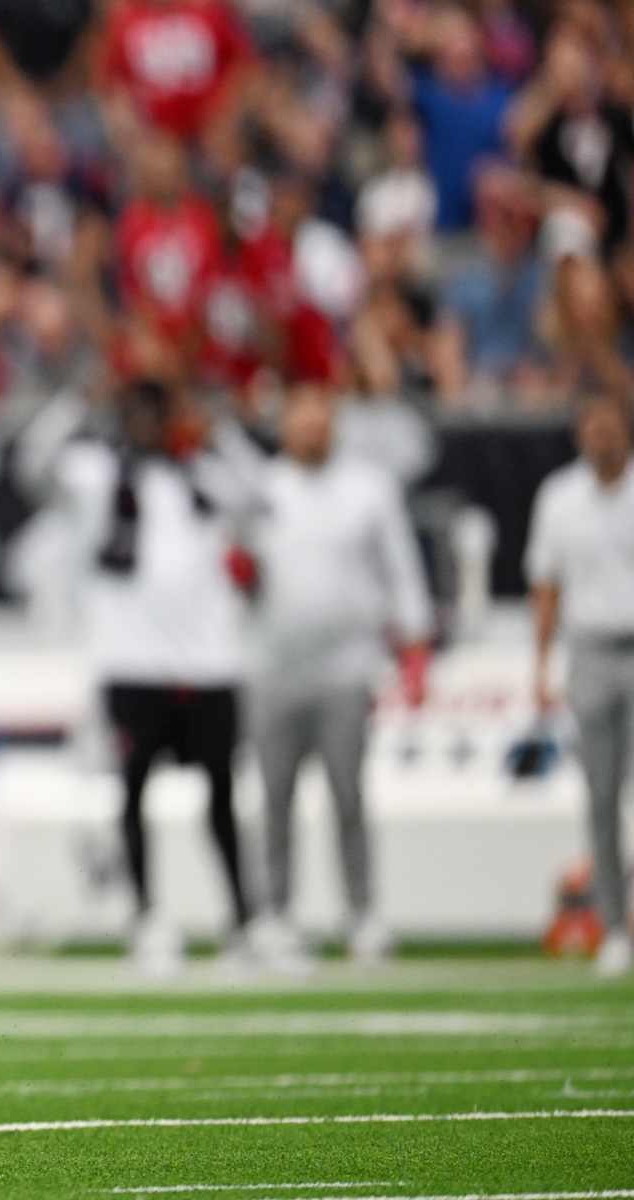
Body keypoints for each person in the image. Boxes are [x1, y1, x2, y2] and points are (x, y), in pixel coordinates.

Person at [53, 380, 256, 975]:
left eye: (157, 412)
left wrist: (220, 432)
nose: (147, 425)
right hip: (132, 661)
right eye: (136, 412)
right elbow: (34, 467)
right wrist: (74, 403)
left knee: (221, 795)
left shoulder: (202, 477)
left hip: (208, 662)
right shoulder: (100, 476)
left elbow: (261, 496)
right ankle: (146, 917)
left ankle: (243, 919)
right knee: (134, 792)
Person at [248, 384, 433, 969]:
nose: (310, 430)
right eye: (299, 419)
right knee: (274, 799)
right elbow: (232, 571)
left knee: (348, 794)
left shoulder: (368, 488)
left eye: (318, 418)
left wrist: (414, 647)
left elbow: (401, 568)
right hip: (273, 667)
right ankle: (275, 912)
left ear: (333, 425)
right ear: (284, 428)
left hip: (347, 666)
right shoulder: (261, 489)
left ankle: (362, 912)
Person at [526, 395, 634, 978]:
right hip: (590, 650)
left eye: (610, 427)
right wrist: (541, 665)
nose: (602, 437)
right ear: (579, 434)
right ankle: (614, 926)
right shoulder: (559, 497)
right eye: (593, 428)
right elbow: (546, 585)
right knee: (601, 795)